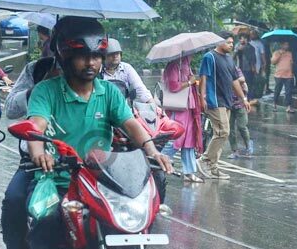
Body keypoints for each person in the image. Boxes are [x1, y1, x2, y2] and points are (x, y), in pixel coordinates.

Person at [23, 16, 172, 249]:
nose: (90, 63)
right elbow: (35, 125)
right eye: (82, 56)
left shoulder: (109, 93)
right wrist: (38, 151)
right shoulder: (47, 91)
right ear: (65, 56)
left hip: (100, 182)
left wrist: (152, 151)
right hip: (58, 178)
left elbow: (130, 124)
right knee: (45, 220)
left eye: (95, 56)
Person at [0, 56, 60, 249]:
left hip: (89, 165)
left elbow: (126, 117)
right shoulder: (37, 70)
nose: (88, 62)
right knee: (14, 200)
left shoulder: (102, 83)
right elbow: (12, 109)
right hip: (38, 164)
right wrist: (35, 90)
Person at [197, 32, 250, 180]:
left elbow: (234, 81)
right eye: (228, 42)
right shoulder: (210, 57)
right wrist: (202, 97)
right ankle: (204, 160)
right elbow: (203, 77)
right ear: (219, 42)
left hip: (227, 101)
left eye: (232, 43)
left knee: (220, 134)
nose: (231, 45)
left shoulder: (229, 59)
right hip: (214, 100)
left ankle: (213, 168)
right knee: (223, 132)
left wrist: (243, 98)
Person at [160, 54, 203, 182]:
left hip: (189, 107)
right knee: (176, 138)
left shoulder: (186, 66)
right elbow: (174, 86)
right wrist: (190, 81)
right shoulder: (174, 66)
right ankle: (158, 160)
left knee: (189, 140)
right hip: (178, 108)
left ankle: (189, 172)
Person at [101, 38, 153, 103]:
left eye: (117, 53)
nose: (115, 56)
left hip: (123, 108)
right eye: (111, 54)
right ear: (103, 56)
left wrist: (153, 105)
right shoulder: (98, 71)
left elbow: (140, 89)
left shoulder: (126, 68)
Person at [227, 66, 253, 158]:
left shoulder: (235, 69)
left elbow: (242, 79)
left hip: (240, 103)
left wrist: (230, 80)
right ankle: (235, 150)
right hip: (228, 104)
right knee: (230, 129)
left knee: (242, 126)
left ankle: (248, 147)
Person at [271, 41, 295, 112]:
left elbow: (292, 63)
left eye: (287, 44)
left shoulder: (290, 53)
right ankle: (274, 104)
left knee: (288, 92)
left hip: (288, 75)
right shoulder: (276, 53)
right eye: (285, 44)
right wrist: (279, 55)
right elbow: (273, 62)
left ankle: (288, 106)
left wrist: (292, 70)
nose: (287, 46)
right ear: (281, 45)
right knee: (277, 90)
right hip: (279, 75)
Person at [235, 33, 257, 99]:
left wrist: (253, 68)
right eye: (241, 38)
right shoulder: (237, 46)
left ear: (247, 39)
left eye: (244, 38)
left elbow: (253, 59)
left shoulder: (251, 47)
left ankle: (249, 98)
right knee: (239, 83)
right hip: (238, 68)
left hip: (248, 69)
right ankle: (240, 97)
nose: (242, 40)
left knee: (249, 84)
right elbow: (233, 57)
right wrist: (238, 50)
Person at [249, 30, 267, 97]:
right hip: (248, 66)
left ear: (256, 35)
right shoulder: (248, 43)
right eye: (251, 34)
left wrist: (264, 64)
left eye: (254, 34)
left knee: (256, 80)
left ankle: (256, 94)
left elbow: (263, 55)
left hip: (257, 65)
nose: (252, 35)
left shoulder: (259, 44)